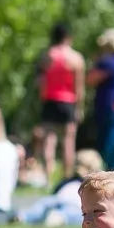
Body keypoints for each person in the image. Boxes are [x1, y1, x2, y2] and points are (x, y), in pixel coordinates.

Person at [33, 23, 85, 182]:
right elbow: (79, 86)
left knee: (49, 139)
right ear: (68, 37)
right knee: (68, 140)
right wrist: (80, 108)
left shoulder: (47, 56)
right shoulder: (76, 57)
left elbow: (40, 82)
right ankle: (67, 176)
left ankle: (48, 175)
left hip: (50, 100)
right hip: (68, 102)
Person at [19, 149, 104, 226]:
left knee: (42, 206)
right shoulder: (93, 184)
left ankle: (22, 217)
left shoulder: (67, 180)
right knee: (74, 214)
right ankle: (57, 218)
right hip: (74, 204)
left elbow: (56, 190)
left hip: (59, 198)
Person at [87, 29, 114, 154]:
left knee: (105, 140)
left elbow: (90, 80)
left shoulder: (107, 62)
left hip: (107, 105)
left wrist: (95, 63)